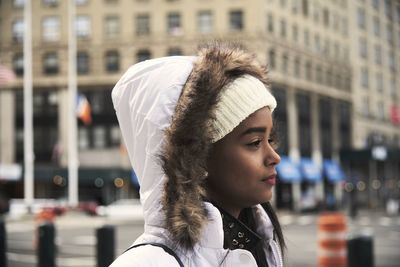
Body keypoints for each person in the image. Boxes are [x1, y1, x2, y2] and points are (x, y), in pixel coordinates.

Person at [110, 42, 285, 267]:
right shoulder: (147, 263)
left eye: (270, 140)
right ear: (196, 158)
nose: (274, 157)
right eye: (254, 142)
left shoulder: (261, 245)